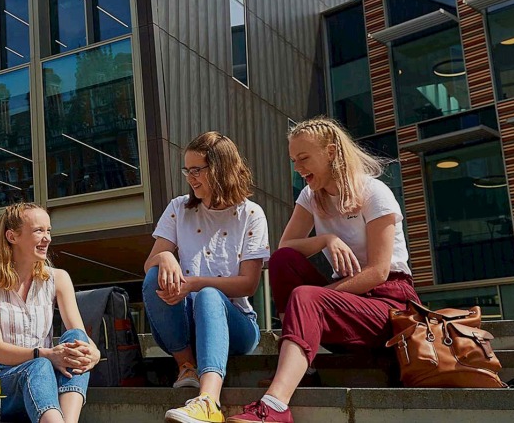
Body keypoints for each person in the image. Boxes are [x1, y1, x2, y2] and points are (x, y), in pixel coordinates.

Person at [229, 117, 419, 423]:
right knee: (283, 260)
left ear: (331, 152)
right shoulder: (310, 195)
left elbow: (378, 273)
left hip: (390, 307)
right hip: (346, 305)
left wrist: (316, 300)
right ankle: (304, 367)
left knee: (306, 297)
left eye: (304, 158)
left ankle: (275, 407)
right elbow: (286, 246)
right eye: (293, 160)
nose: (297, 168)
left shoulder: (375, 192)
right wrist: (326, 239)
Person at [143, 131, 270, 423]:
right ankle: (186, 366)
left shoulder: (251, 214)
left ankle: (209, 401)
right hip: (184, 326)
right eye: (187, 170)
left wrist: (196, 284)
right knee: (154, 275)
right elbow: (151, 263)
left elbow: (249, 284)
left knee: (210, 295)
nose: (190, 177)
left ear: (221, 168)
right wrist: (165, 257)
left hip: (237, 325)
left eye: (197, 170)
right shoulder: (178, 208)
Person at [0, 202, 100, 423]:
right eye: (39, 231)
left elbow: (80, 333)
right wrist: (45, 354)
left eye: (48, 231)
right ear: (12, 236)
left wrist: (93, 353)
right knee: (39, 364)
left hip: (43, 377)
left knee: (76, 340)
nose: (47, 238)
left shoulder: (58, 278)